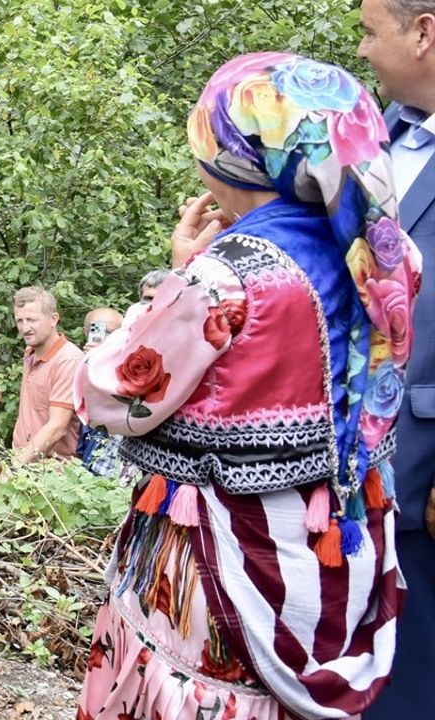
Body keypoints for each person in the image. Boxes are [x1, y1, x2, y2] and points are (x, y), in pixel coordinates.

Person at [74, 53, 419, 719]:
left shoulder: (224, 279)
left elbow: (111, 393)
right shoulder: (385, 255)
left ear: (230, 158)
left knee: (201, 688)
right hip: (334, 548)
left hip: (225, 553)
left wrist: (180, 276)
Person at [357, 1, 435, 716]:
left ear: (424, 32)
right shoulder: (378, 136)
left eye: (368, 32)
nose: (361, 51)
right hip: (354, 480)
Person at [11, 286, 84, 463]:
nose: (25, 328)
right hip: (23, 463)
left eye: (31, 320)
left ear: (53, 319)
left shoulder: (68, 360)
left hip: (49, 471)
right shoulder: (30, 353)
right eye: (20, 320)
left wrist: (15, 467)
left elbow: (57, 427)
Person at [76, 307, 124, 477]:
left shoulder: (131, 367)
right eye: (95, 329)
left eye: (110, 332)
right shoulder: (79, 363)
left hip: (111, 465)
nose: (103, 338)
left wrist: (105, 362)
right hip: (86, 454)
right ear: (85, 332)